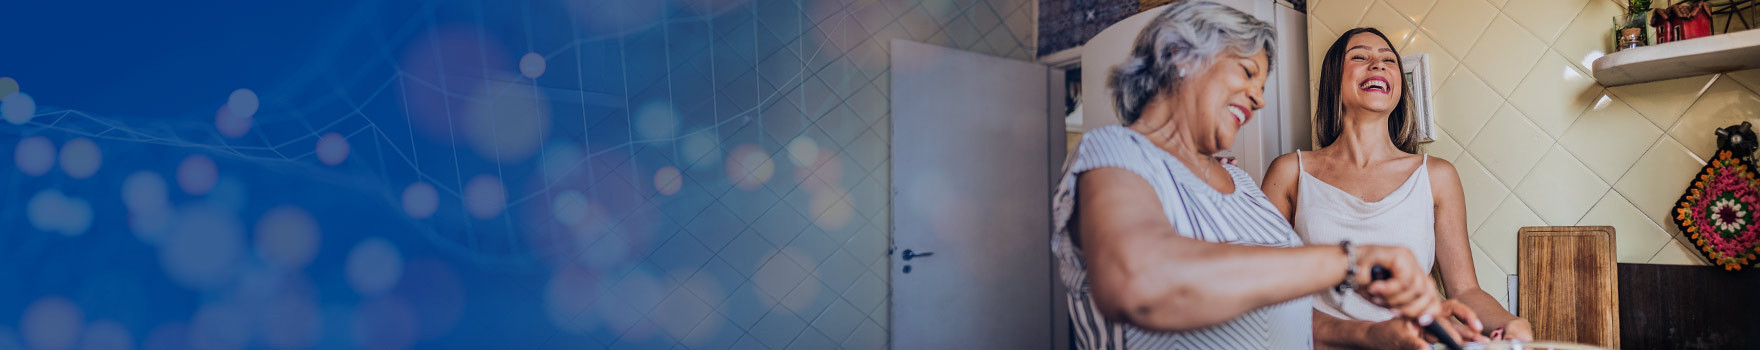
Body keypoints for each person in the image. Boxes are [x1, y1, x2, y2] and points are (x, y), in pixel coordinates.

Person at [1052, 3, 1469, 349]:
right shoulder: (1113, 152)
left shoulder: (1245, 186)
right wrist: (1351, 262)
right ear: (1182, 60)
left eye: (1263, 83)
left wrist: (1371, 334)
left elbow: (1281, 313)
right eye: (1248, 73)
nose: (1259, 98)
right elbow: (1140, 283)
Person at [1259, 27, 1534, 350]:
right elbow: (1265, 287)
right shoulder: (1291, 171)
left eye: (1389, 60)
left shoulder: (1436, 176)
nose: (1377, 65)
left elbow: (1464, 290)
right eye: (1360, 57)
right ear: (1334, 78)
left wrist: (1511, 322)